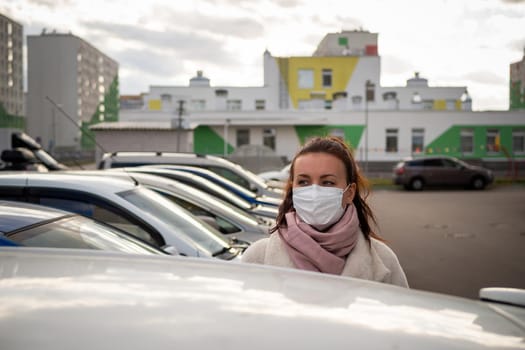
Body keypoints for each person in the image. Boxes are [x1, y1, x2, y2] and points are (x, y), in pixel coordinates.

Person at [242, 136, 409, 288]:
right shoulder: (258, 257)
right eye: (303, 182)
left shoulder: (384, 260)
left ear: (349, 193)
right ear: (293, 189)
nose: (314, 191)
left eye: (327, 182)